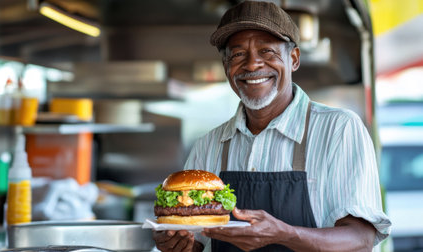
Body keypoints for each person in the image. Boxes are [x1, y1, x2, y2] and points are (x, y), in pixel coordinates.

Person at [153, 1, 391, 251]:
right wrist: (177, 244)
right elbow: (197, 242)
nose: (252, 64)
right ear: (226, 68)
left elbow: (360, 240)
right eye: (237, 54)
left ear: (294, 59)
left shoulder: (339, 130)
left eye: (267, 51)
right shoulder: (209, 144)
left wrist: (286, 235)